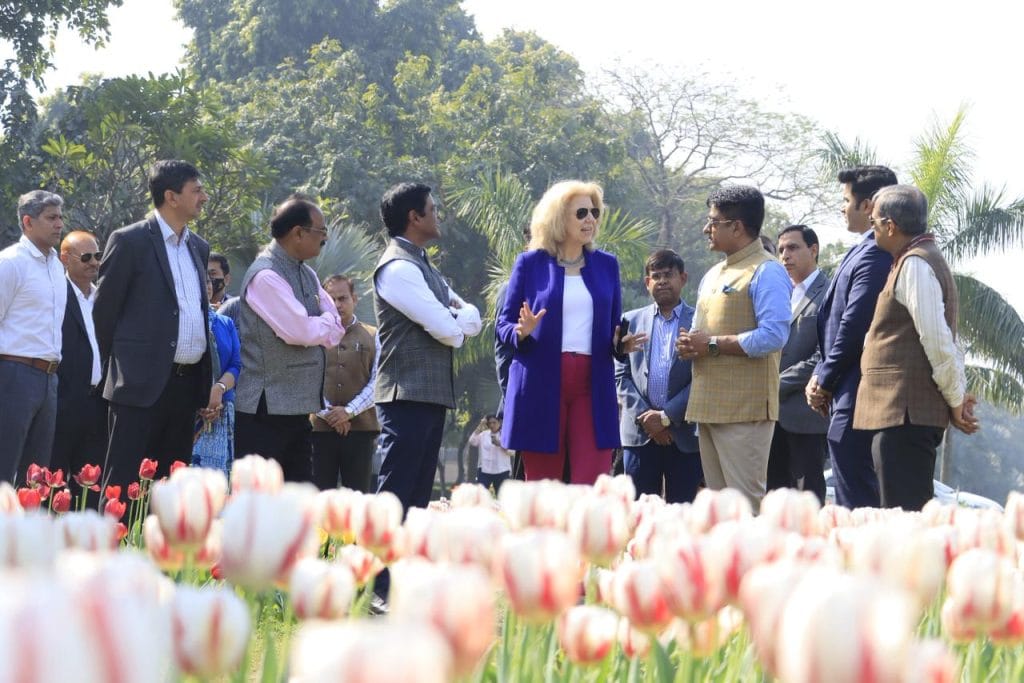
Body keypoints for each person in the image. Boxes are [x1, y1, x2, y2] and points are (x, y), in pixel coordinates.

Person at [496, 180, 645, 485]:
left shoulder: (607, 265)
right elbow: (503, 325)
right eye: (581, 213)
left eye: (594, 212)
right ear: (557, 217)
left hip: (592, 383)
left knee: (592, 479)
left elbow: (613, 328)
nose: (590, 219)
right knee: (543, 484)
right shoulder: (530, 263)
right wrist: (521, 331)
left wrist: (621, 345)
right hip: (540, 381)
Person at [854, 185, 978, 511]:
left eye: (874, 222)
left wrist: (955, 401)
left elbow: (938, 341)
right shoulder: (914, 260)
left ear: (890, 226)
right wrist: (956, 396)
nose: (872, 229)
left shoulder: (916, 264)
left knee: (904, 520)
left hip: (905, 418)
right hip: (901, 417)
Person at [94, 160, 213, 488]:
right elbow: (103, 313)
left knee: (171, 490)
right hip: (138, 387)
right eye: (196, 190)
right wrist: (113, 375)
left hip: (186, 388)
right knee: (122, 485)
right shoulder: (129, 241)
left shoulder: (199, 247)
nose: (204, 197)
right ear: (171, 197)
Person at [676, 185, 791, 509]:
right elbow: (700, 333)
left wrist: (711, 345)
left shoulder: (767, 270)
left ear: (737, 227)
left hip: (745, 410)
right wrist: (689, 345)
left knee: (745, 508)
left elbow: (773, 335)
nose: (706, 228)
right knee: (720, 512)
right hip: (709, 406)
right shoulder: (713, 274)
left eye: (714, 222)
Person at [373, 182, 481, 511]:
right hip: (405, 396)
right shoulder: (398, 267)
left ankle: (405, 548)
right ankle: (381, 547)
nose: (438, 216)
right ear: (414, 217)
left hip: (428, 397)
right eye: (433, 209)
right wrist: (454, 321)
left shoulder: (422, 265)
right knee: (397, 493)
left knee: (417, 499)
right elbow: (449, 331)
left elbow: (472, 319)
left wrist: (454, 319)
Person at [805, 165, 897, 508]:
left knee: (858, 503)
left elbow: (855, 324)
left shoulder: (877, 253)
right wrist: (821, 374)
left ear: (868, 205)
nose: (841, 207)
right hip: (842, 387)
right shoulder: (862, 248)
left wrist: (825, 378)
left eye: (846, 200)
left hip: (857, 388)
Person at [234, 195, 343, 482]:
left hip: (296, 410)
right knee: (260, 499)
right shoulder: (266, 275)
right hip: (265, 412)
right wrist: (320, 323)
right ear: (298, 233)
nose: (325, 238)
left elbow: (336, 327)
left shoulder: (307, 273)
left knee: (298, 497)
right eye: (321, 231)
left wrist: (318, 324)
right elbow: (300, 331)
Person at [616, 249, 702, 503]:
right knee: (639, 511)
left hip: (683, 434)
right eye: (656, 276)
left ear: (683, 278)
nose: (662, 281)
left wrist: (666, 417)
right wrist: (648, 420)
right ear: (647, 282)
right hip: (639, 434)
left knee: (682, 511)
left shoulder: (699, 322)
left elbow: (703, 376)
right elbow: (620, 374)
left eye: (669, 275)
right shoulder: (629, 321)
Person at [0, 190, 66, 482]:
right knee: (4, 466)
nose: (59, 224)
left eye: (60, 217)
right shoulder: (10, 262)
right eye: (51, 218)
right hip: (13, 374)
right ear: (28, 222)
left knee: (35, 476)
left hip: (49, 378)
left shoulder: (57, 266)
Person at [767, 225, 830, 502]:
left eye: (793, 247)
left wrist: (774, 384)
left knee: (807, 501)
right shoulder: (777, 293)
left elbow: (824, 354)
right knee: (773, 499)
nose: (785, 255)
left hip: (806, 415)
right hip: (769, 416)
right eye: (781, 249)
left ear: (813, 250)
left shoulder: (829, 292)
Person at [310, 274, 380, 493]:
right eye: (331, 299)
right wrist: (329, 414)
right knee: (319, 499)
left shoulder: (373, 335)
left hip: (360, 430)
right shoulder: (311, 334)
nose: (337, 304)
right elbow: (305, 378)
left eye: (343, 298)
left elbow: (378, 381)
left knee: (358, 498)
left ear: (354, 299)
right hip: (319, 429)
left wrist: (348, 412)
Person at [52, 230, 108, 476]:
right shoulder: (54, 295)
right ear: (65, 259)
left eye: (97, 256)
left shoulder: (105, 299)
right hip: (62, 404)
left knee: (90, 486)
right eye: (86, 257)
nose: (94, 262)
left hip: (98, 405)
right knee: (52, 482)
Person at [191, 275, 242, 476]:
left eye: (208, 281)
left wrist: (218, 389)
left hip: (221, 409)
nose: (207, 286)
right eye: (200, 281)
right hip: (189, 409)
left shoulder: (225, 323)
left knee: (218, 482)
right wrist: (201, 399)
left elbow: (236, 365)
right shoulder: (183, 324)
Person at [468, 415, 512, 492]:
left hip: (502, 470)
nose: (492, 425)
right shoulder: (483, 434)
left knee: (502, 496)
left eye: (494, 422)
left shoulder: (505, 435)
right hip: (484, 470)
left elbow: (513, 452)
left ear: (500, 423)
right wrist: (481, 425)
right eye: (489, 423)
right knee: (481, 495)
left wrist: (500, 444)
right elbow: (472, 441)